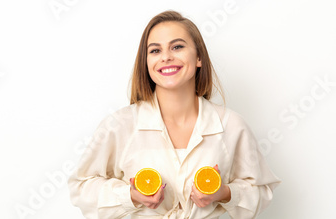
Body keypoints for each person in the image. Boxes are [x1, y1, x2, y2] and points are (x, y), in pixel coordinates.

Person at [68, 10, 280, 219]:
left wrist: (224, 193)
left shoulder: (232, 125)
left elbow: (260, 191)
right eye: (155, 51)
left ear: (198, 58)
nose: (166, 57)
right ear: (146, 63)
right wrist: (130, 196)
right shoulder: (118, 125)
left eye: (177, 47)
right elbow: (81, 186)